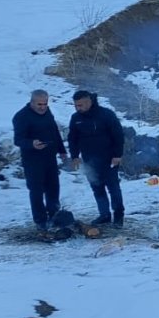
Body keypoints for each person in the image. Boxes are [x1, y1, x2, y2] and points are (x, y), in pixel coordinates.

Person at [12, 89, 68, 235]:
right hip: (32, 160)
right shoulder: (21, 116)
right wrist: (32, 143)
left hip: (50, 157)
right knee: (36, 191)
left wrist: (62, 150)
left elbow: (54, 131)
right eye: (39, 104)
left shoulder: (47, 112)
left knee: (53, 188)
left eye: (45, 103)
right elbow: (18, 140)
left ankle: (54, 215)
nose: (42, 107)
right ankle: (40, 221)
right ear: (31, 102)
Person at [68, 90, 125, 228]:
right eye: (76, 105)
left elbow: (118, 135)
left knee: (113, 188)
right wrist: (75, 156)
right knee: (97, 187)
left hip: (109, 159)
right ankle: (104, 215)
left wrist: (117, 155)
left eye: (80, 105)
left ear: (89, 102)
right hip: (89, 160)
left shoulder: (106, 115)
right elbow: (72, 139)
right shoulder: (76, 118)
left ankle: (118, 216)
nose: (78, 108)